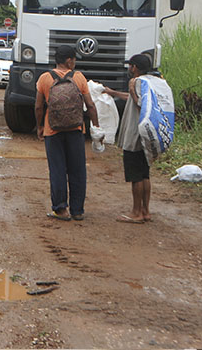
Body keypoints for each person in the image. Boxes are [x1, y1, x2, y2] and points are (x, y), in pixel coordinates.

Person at [34, 45, 100, 221]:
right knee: (77, 170)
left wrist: (40, 126)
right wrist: (96, 126)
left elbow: (39, 106)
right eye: (74, 59)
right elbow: (90, 105)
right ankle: (77, 210)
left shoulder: (45, 78)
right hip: (76, 129)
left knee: (57, 170)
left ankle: (61, 209)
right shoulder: (78, 78)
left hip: (52, 130)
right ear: (69, 60)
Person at [103, 53, 161, 224]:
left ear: (134, 67)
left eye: (130, 66)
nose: (129, 68)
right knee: (145, 174)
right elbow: (133, 99)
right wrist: (113, 92)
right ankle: (146, 210)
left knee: (136, 175)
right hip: (147, 134)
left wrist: (132, 90)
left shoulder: (135, 82)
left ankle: (136, 212)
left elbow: (140, 103)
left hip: (135, 134)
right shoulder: (150, 83)